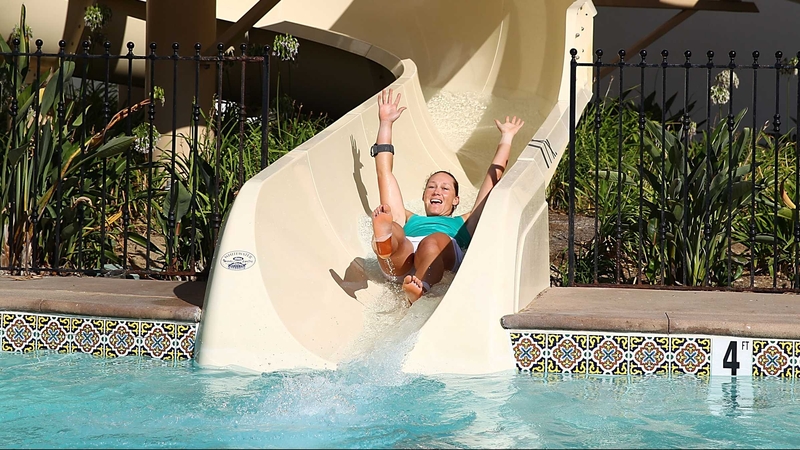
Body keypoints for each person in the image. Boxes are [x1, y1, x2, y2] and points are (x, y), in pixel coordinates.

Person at [370, 88, 524, 304]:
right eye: (431, 187)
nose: (436, 191)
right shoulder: (408, 217)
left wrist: (507, 138)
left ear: (456, 200)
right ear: (424, 195)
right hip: (406, 254)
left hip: (442, 251)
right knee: (394, 226)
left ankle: (420, 285)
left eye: (445, 189)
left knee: (433, 241)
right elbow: (384, 173)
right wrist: (385, 123)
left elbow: (492, 183)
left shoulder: (466, 222)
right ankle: (385, 241)